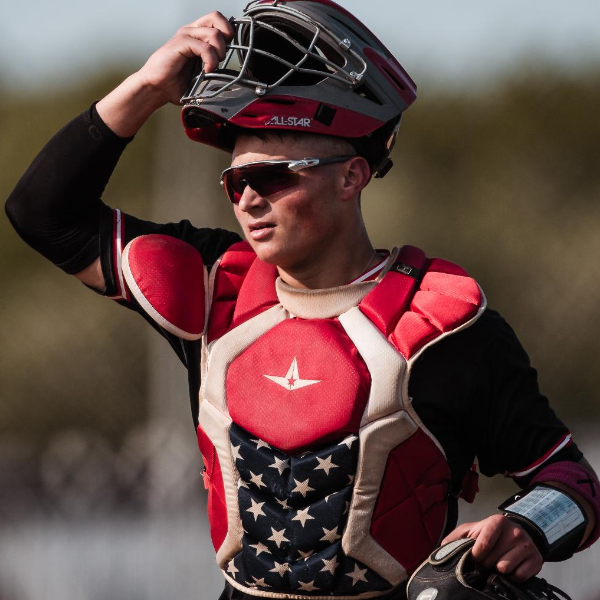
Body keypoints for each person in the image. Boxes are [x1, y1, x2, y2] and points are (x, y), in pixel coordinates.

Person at [5, 2, 600, 599]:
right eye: (236, 181)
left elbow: (574, 484)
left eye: (273, 177)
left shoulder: (445, 323)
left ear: (352, 176)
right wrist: (147, 87)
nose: (248, 200)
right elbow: (41, 213)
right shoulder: (213, 289)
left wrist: (527, 526)